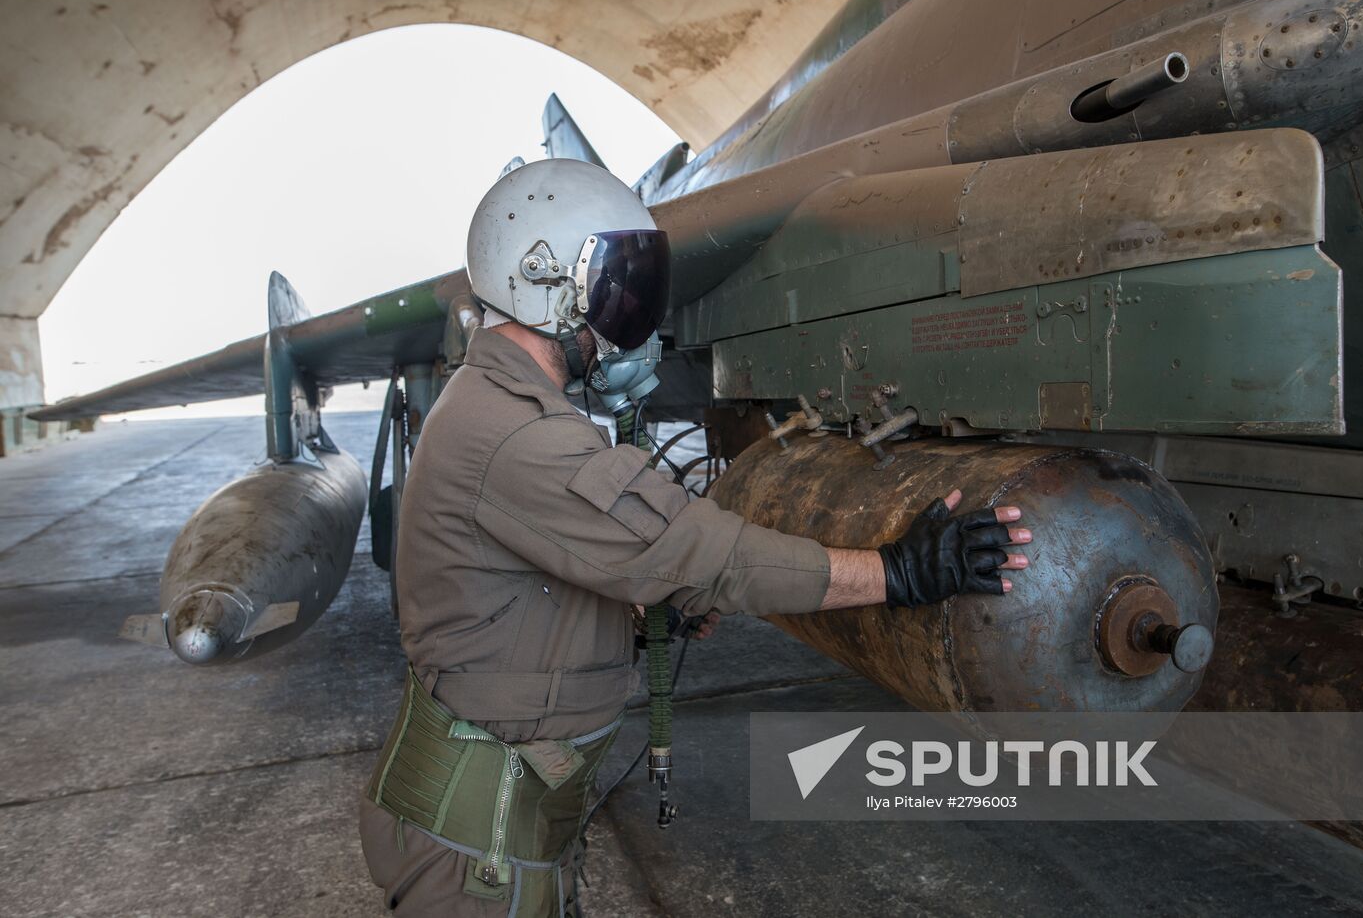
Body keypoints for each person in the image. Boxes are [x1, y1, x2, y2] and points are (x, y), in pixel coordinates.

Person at [359, 159, 1031, 916]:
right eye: (614, 286)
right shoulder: (517, 436)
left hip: (505, 828)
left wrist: (648, 613)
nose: (628, 315)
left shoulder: (495, 404)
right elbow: (705, 554)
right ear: (545, 281)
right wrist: (900, 572)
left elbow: (532, 590)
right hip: (475, 851)